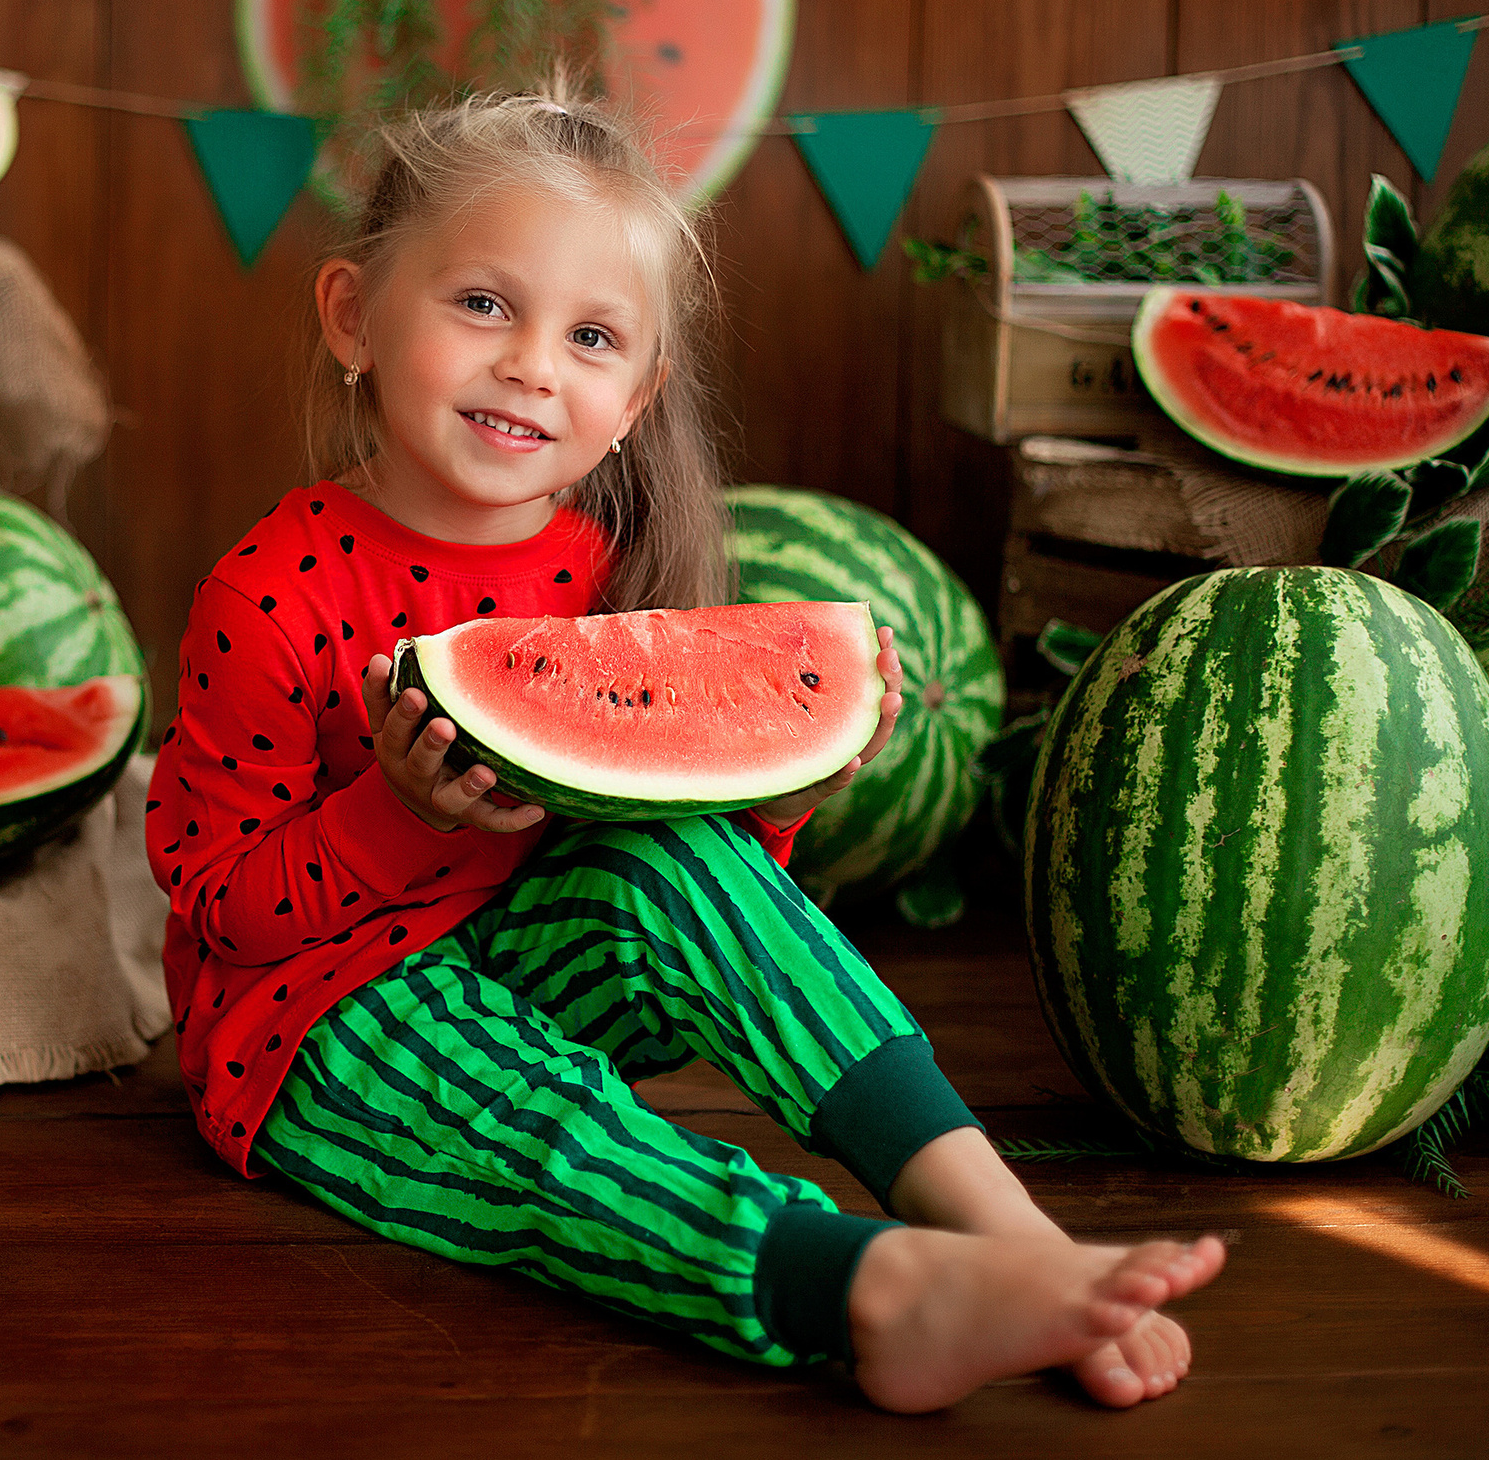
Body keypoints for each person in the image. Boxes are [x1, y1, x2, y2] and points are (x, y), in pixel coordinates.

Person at [144, 87, 1223, 1413]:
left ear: (635, 397)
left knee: (693, 867)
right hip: (307, 1021)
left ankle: (1009, 1232)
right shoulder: (269, 592)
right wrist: (402, 813)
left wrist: (789, 796)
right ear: (354, 316)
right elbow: (218, 905)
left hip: (526, 953)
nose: (534, 363)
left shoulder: (596, 568)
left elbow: (650, 839)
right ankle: (872, 1294)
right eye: (483, 304)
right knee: (548, 1129)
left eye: (590, 335)